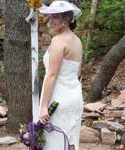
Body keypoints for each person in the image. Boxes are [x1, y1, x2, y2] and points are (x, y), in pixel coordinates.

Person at [38, 1, 83, 150]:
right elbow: (76, 72)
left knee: (55, 142)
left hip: (58, 100)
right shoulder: (77, 41)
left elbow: (52, 75)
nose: (50, 22)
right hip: (75, 97)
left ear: (66, 20)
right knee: (70, 141)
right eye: (50, 18)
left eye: (55, 17)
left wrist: (44, 106)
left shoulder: (58, 41)